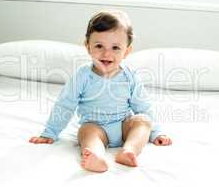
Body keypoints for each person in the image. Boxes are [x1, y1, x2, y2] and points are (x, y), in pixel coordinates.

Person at [29, 10, 172, 173]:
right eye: (99, 46)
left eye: (115, 47)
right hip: (96, 127)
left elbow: (143, 105)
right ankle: (96, 156)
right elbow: (65, 105)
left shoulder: (129, 75)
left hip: (123, 126)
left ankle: (129, 150)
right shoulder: (82, 76)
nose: (106, 53)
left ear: (126, 51)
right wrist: (50, 133)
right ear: (88, 47)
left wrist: (157, 133)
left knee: (143, 121)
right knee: (86, 132)